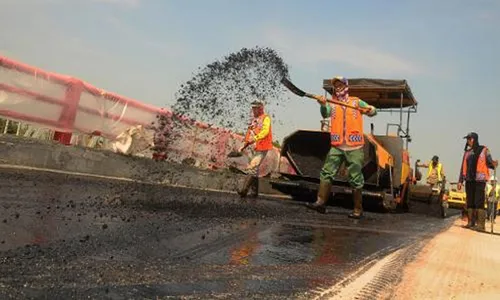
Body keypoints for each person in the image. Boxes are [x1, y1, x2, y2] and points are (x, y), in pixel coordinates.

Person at [305, 76, 377, 219]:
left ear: (346, 86)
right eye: (336, 86)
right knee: (327, 172)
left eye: (340, 85)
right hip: (337, 145)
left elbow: (373, 112)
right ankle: (320, 202)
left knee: (355, 177)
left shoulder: (356, 101)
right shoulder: (332, 104)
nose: (338, 87)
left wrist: (370, 109)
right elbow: (325, 114)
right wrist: (322, 104)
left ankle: (357, 209)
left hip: (354, 146)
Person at [458, 132, 498, 231]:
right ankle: (471, 222)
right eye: (467, 139)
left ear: (473, 139)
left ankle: (481, 225)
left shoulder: (484, 150)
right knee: (470, 201)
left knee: (479, 202)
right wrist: (460, 181)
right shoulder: (467, 153)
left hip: (480, 180)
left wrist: (494, 164)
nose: (467, 141)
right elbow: (463, 167)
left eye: (469, 139)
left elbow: (489, 163)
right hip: (469, 180)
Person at [237, 101, 273, 198]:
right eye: (252, 108)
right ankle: (254, 192)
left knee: (252, 167)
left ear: (260, 109)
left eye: (255, 108)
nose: (253, 110)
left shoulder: (266, 118)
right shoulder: (253, 121)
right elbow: (249, 134)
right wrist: (243, 146)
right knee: (255, 169)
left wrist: (256, 138)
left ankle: (244, 190)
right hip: (254, 147)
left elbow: (265, 131)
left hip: (262, 146)